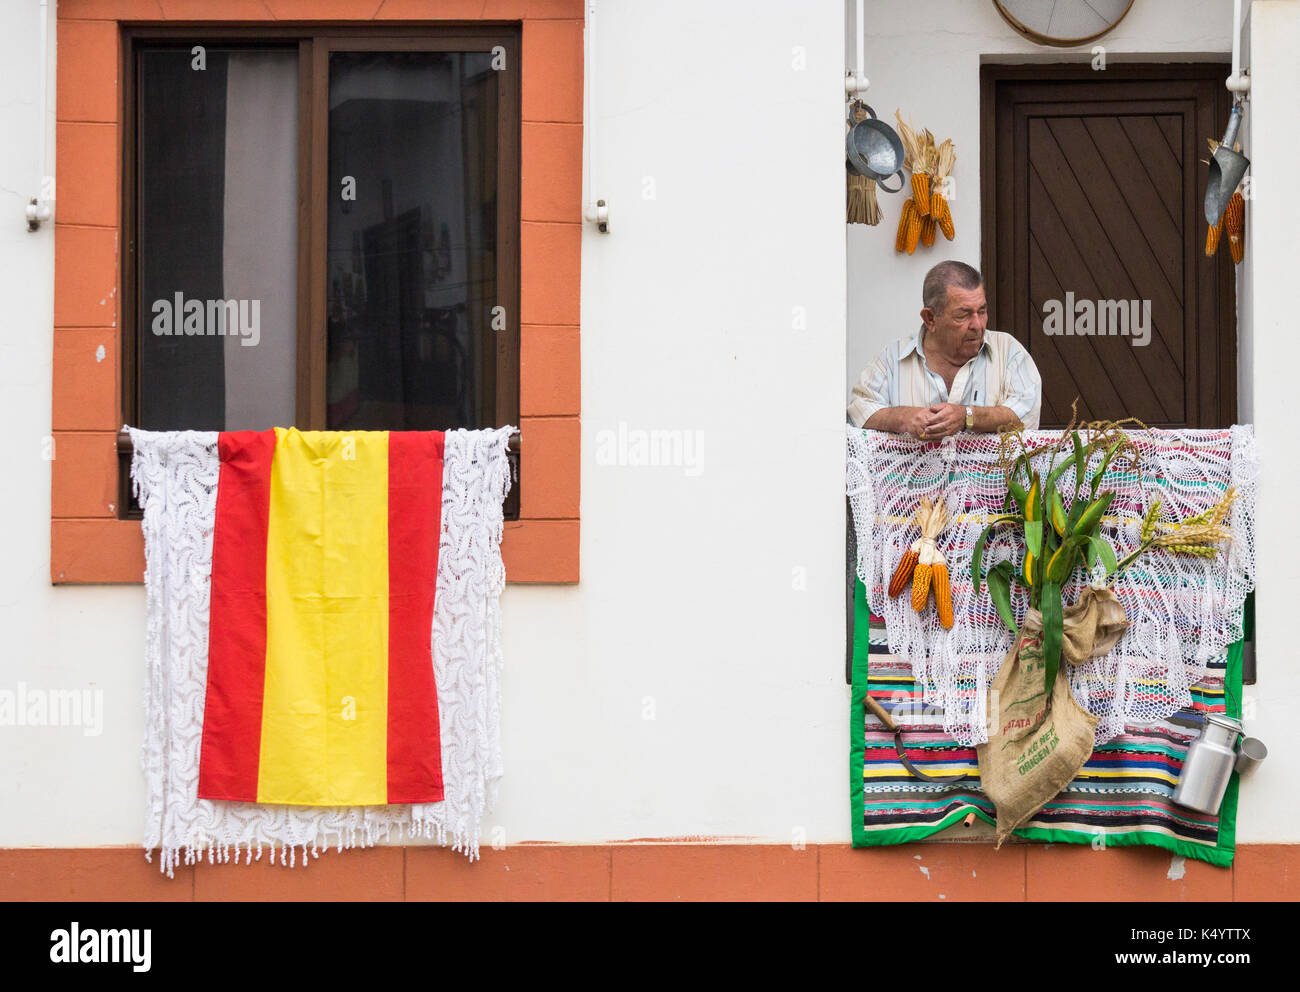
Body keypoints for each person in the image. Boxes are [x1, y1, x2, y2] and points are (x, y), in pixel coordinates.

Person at [848, 260, 1041, 440]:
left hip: (992, 478)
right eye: (963, 315)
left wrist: (967, 416)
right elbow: (859, 411)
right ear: (930, 318)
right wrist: (904, 418)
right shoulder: (893, 358)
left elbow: (1027, 413)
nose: (978, 324)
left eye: (982, 311)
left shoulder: (1007, 351)